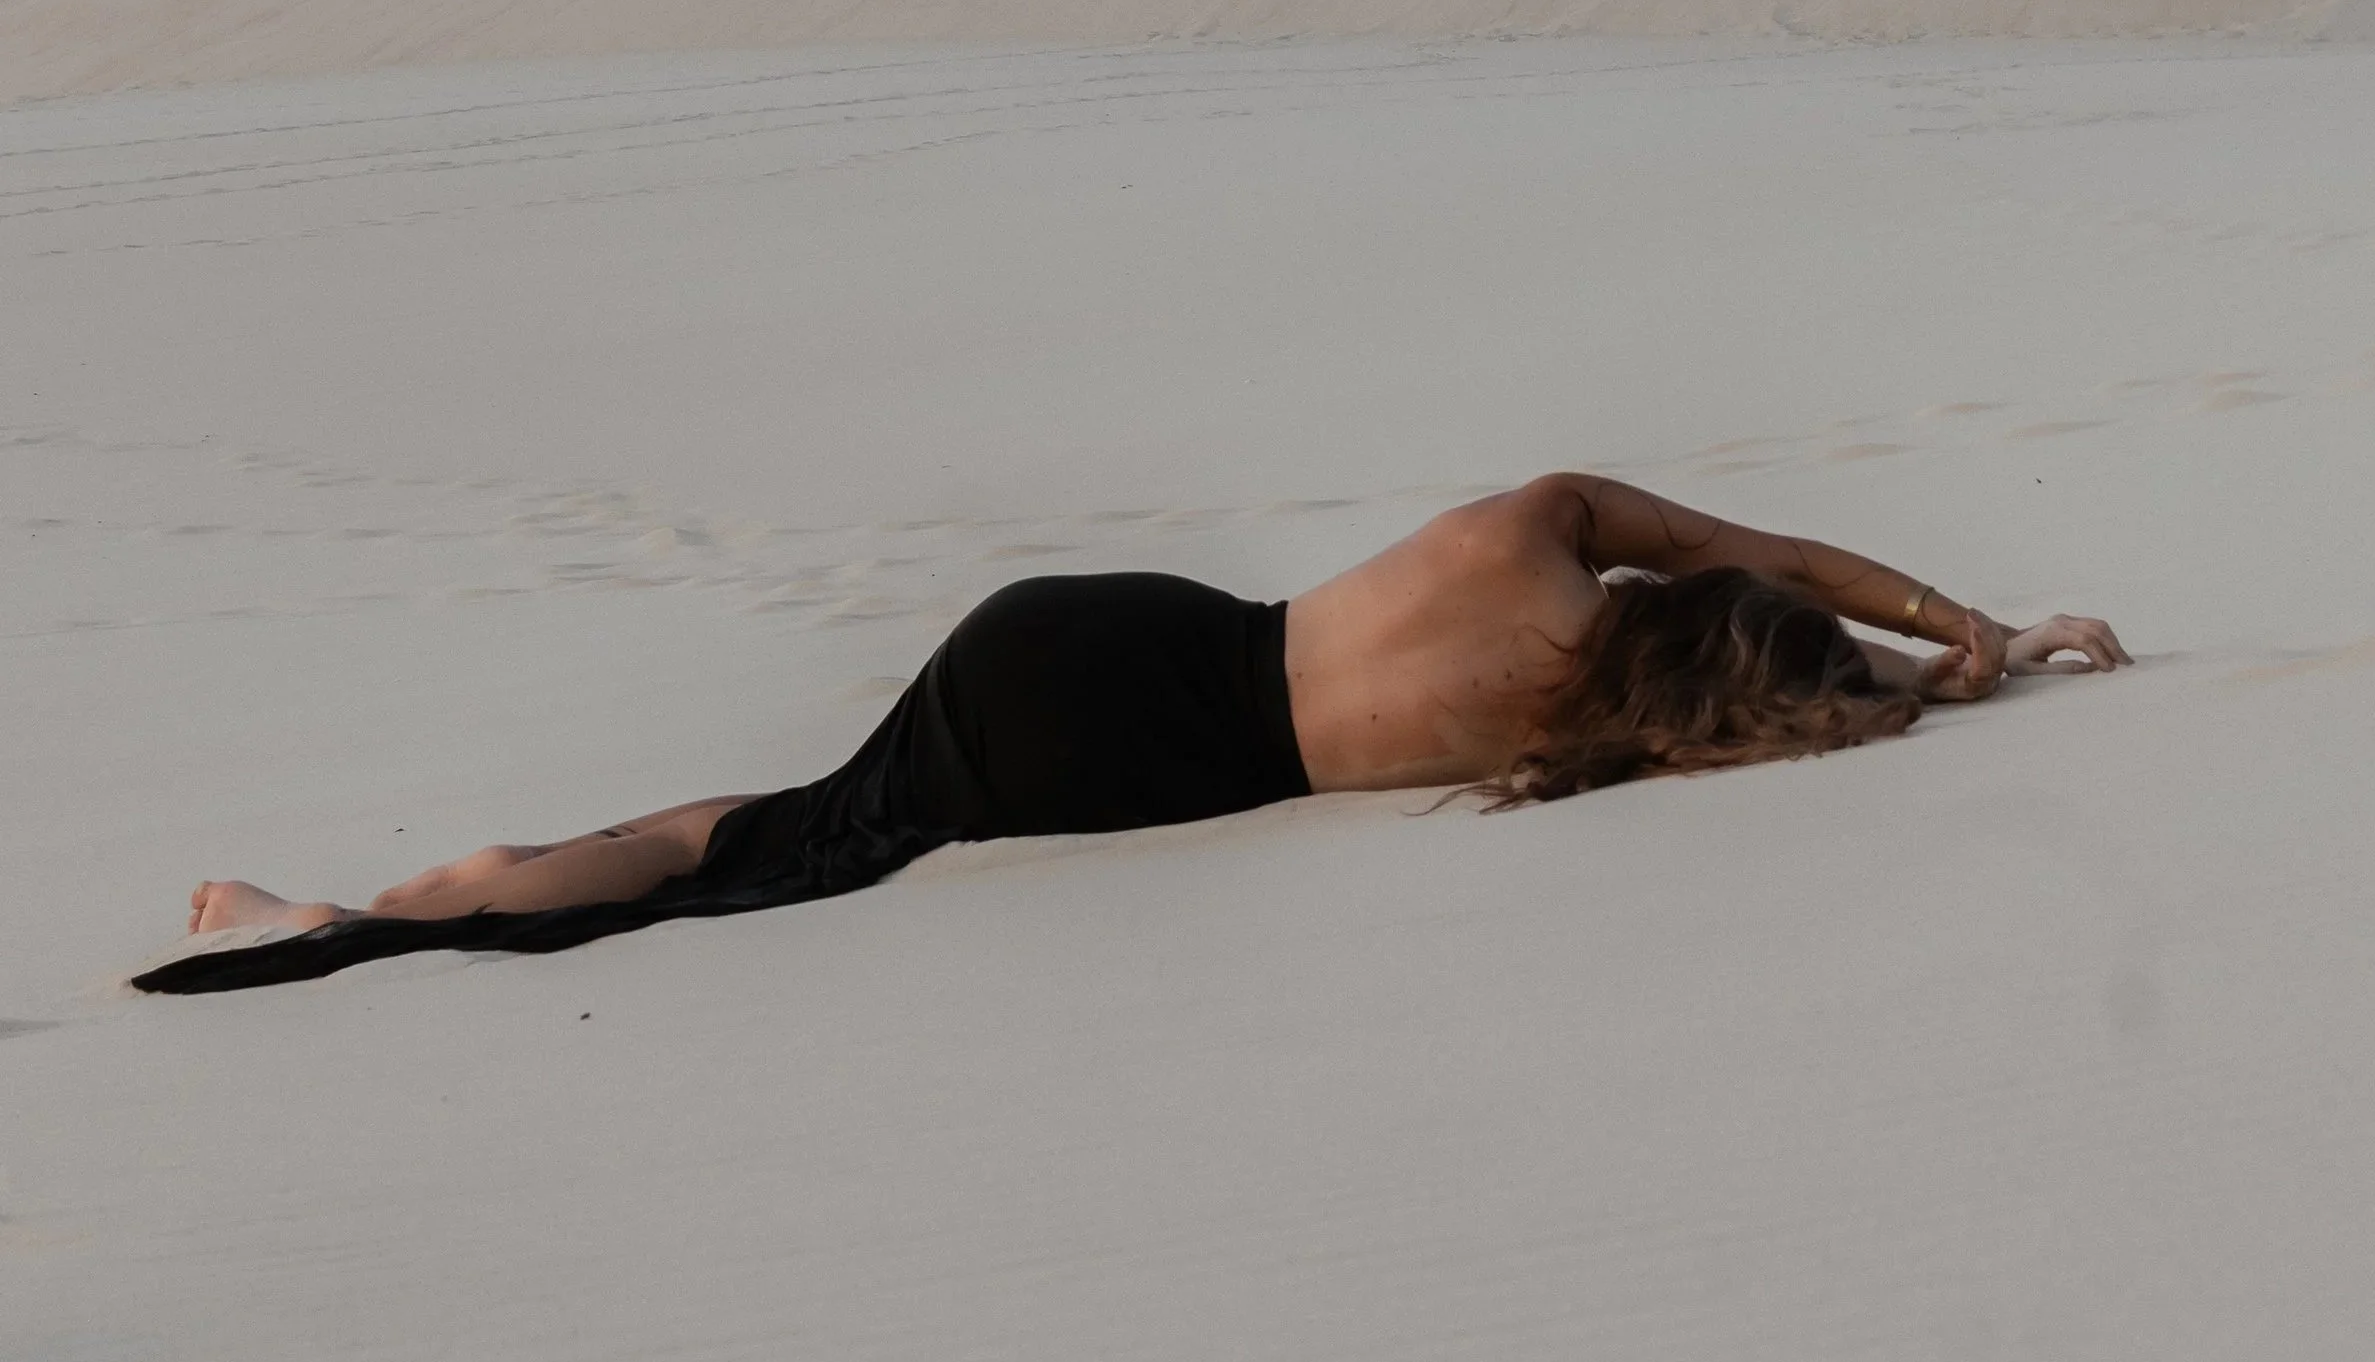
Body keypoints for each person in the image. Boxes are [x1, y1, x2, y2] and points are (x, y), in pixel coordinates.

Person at [138, 473, 2128, 993]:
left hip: (1092, 641)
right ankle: (349, 917)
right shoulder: (1596, 727)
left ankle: (348, 912)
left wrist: (1974, 615)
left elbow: (1766, 553)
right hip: (1137, 766)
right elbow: (1799, 683)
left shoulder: (1531, 535)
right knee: (749, 848)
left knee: (717, 823)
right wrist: (1976, 674)